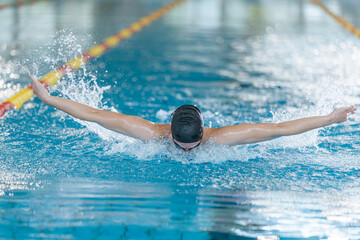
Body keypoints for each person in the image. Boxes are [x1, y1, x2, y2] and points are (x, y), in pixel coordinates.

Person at [30, 74, 356, 153]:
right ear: (168, 133)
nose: (186, 155)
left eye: (193, 149)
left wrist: (329, 118)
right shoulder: (149, 132)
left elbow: (281, 129)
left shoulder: (225, 137)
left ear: (205, 134)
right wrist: (48, 99)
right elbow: (95, 115)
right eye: (180, 148)